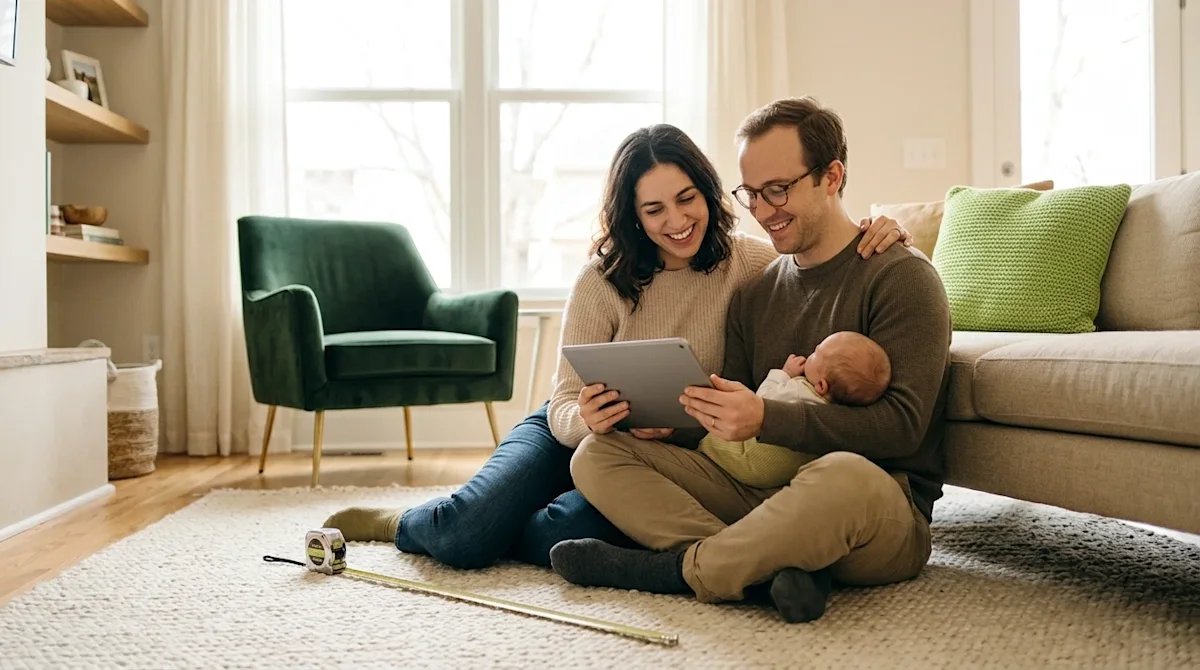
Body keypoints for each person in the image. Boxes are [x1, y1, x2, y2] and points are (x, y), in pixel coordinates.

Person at [319, 121, 914, 572]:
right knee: (462, 538)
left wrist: (883, 228)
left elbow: (815, 251)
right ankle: (408, 519)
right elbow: (561, 404)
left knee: (575, 536)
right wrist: (590, 421)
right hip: (573, 431)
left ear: (709, 193)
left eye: (688, 199)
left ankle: (510, 520)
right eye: (653, 209)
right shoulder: (601, 280)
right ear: (632, 215)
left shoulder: (749, 263)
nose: (677, 221)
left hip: (658, 456)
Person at [548, 97, 953, 625]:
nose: (763, 211)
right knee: (597, 457)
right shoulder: (757, 290)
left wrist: (767, 418)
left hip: (872, 505)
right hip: (758, 494)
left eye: (778, 190)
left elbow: (902, 430)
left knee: (843, 475)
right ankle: (769, 569)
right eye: (751, 194)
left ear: (832, 177)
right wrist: (678, 428)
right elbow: (732, 432)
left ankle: (674, 571)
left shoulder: (901, 277)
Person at [697, 331, 891, 488]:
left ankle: (702, 450)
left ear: (822, 385)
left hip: (748, 462)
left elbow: (760, 402)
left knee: (713, 439)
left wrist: (784, 373)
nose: (810, 354)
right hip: (777, 478)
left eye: (816, 353)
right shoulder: (835, 415)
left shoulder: (799, 392)